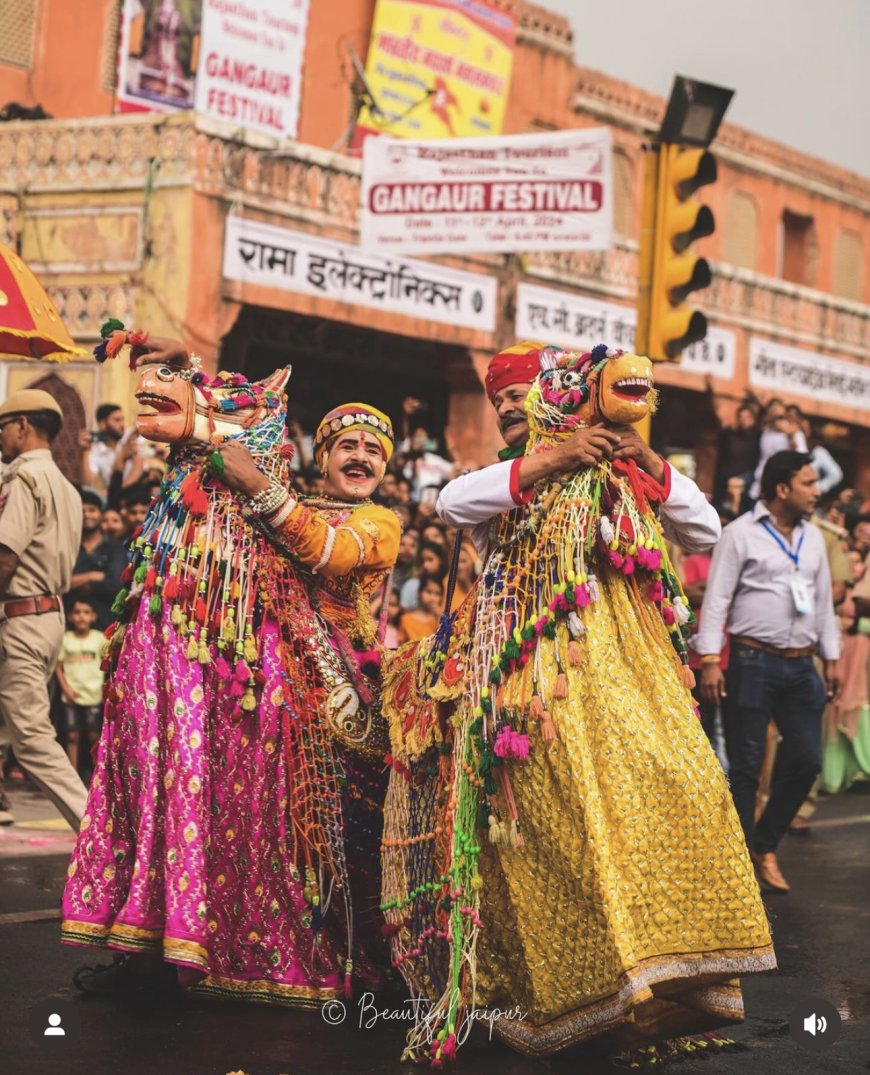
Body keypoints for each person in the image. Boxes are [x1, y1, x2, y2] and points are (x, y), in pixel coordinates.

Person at [382, 343, 774, 1063]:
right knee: (539, 834)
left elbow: (706, 530)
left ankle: (652, 981)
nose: (506, 405)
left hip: (627, 678)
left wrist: (646, 462)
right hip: (526, 683)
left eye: (518, 393)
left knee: (668, 794)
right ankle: (548, 995)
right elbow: (447, 501)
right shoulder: (506, 481)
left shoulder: (619, 472)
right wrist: (548, 463)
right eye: (497, 398)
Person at [64, 336, 400, 1006]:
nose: (359, 457)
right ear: (321, 455)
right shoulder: (270, 495)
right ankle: (162, 938)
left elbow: (326, 552)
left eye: (372, 449)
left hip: (335, 699)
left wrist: (249, 475)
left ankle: (346, 953)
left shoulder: (377, 520)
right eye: (346, 445)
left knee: (331, 849)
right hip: (264, 675)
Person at [697, 451, 841, 894]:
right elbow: (717, 599)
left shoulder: (814, 538)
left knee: (806, 759)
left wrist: (831, 657)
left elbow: (822, 603)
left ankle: (764, 844)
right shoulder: (739, 534)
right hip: (750, 661)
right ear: (782, 489)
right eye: (809, 483)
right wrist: (708, 661)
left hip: (802, 665)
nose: (817, 491)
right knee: (746, 766)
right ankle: (739, 868)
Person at [0, 389, 86, 830]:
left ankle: (100, 836)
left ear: (21, 426)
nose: (0, 437)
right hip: (48, 617)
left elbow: (6, 558)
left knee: (33, 741)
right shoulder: (67, 487)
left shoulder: (24, 480)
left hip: (20, 617)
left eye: (2, 427)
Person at [55, 597, 105, 780]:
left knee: (94, 734)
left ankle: (98, 775)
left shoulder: (99, 638)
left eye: (86, 613)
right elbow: (58, 666)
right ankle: (72, 775)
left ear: (93, 616)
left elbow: (107, 664)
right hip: (71, 694)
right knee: (72, 735)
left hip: (93, 694)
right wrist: (65, 688)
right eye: (77, 613)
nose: (81, 617)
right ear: (70, 616)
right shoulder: (66, 639)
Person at [68, 489, 128, 630]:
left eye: (92, 510)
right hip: (70, 628)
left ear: (101, 514)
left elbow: (115, 585)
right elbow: (60, 584)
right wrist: (91, 576)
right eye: (81, 510)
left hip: (107, 623)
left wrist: (77, 582)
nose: (87, 514)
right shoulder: (68, 546)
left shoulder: (114, 548)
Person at [86, 403, 125, 493]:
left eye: (123, 420)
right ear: (102, 424)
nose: (122, 425)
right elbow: (88, 484)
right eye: (117, 420)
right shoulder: (96, 451)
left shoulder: (128, 441)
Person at [397, 574, 443, 642]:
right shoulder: (406, 619)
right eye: (428, 592)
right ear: (419, 593)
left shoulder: (441, 620)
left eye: (437, 594)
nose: (432, 598)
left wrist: (439, 619)